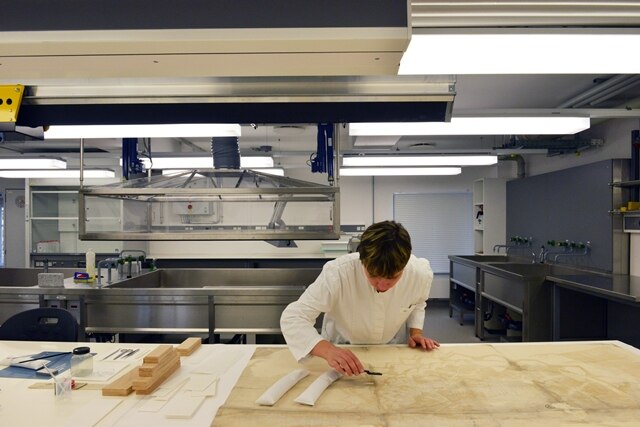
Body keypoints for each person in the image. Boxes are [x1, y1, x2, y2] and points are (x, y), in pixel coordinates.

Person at [280, 220, 439, 376]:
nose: (382, 286)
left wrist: (416, 334)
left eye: (392, 278)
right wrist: (328, 350)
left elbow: (417, 303)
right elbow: (294, 317)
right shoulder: (338, 273)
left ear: (404, 266)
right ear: (363, 261)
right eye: (373, 276)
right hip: (340, 349)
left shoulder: (419, 274)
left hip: (390, 349)